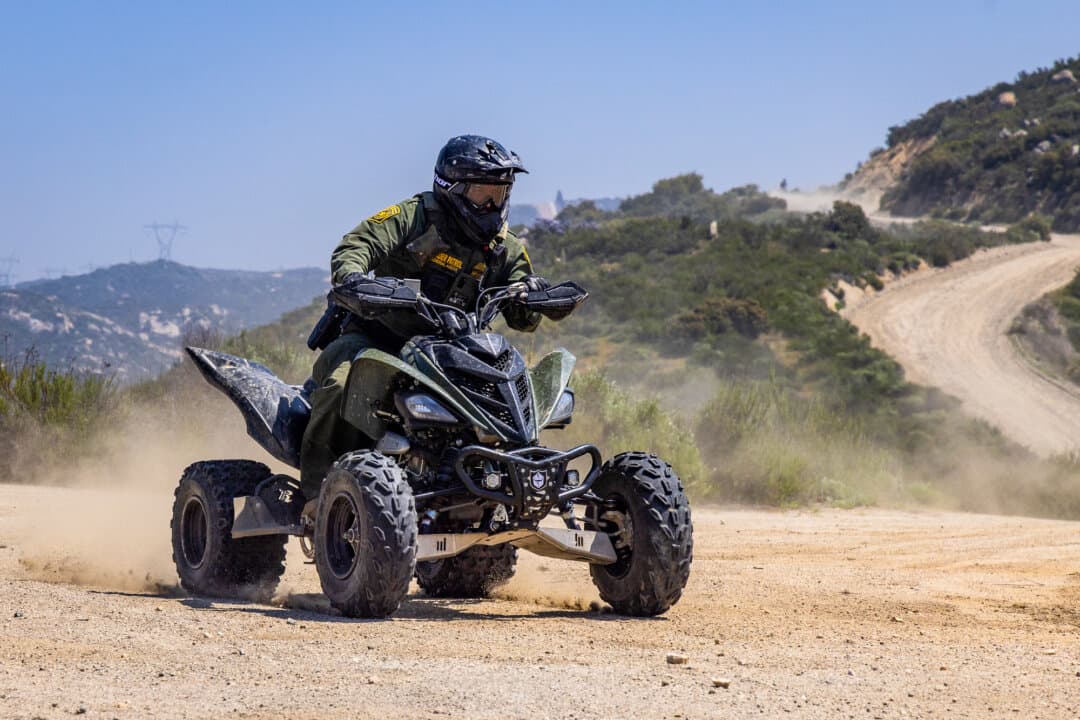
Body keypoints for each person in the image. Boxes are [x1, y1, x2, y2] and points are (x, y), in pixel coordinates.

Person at [298, 135, 551, 505]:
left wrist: (534, 295)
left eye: (500, 193)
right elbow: (358, 244)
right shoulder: (415, 215)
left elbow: (522, 318)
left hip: (452, 353)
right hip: (377, 340)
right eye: (484, 193)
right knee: (339, 386)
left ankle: (512, 488)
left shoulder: (503, 246)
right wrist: (353, 278)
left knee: (508, 394)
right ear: (453, 188)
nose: (493, 204)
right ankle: (318, 500)